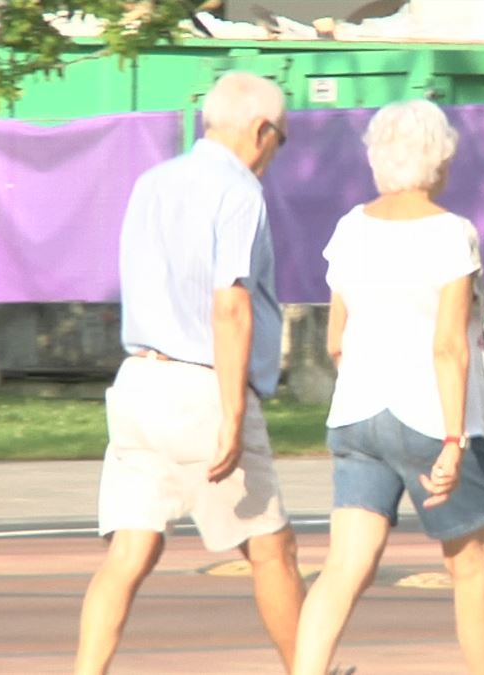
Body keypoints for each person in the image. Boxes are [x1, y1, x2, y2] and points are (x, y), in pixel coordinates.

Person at [75, 71, 304, 675]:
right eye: (280, 138)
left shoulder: (152, 183)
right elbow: (229, 304)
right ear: (261, 130)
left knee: (129, 551)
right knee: (272, 549)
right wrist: (232, 414)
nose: (276, 153)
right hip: (203, 386)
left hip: (137, 382)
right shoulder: (240, 193)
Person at [292, 100, 484, 675]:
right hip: (431, 419)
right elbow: (449, 346)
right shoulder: (451, 234)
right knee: (472, 569)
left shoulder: (349, 229)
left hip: (357, 415)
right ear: (439, 160)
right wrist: (455, 440)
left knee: (345, 566)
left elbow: (337, 339)